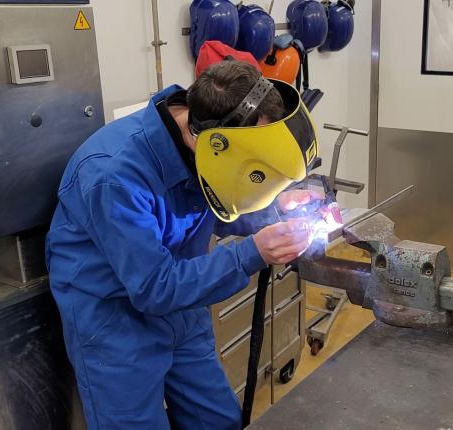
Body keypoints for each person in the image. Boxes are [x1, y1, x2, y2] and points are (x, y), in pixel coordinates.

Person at [45, 60, 324, 429]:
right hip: (115, 320)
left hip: (182, 304)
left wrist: (275, 208)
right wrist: (252, 253)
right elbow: (153, 288)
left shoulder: (204, 137)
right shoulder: (113, 175)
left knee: (216, 421)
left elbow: (222, 198)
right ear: (212, 142)